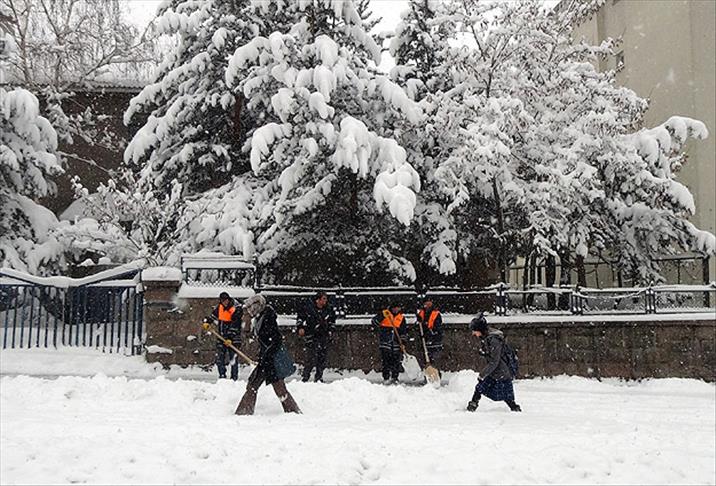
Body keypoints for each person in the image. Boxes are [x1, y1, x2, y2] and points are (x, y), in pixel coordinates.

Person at [235, 294, 301, 415]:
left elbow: (276, 340)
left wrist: (267, 356)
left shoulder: (268, 318)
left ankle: (293, 412)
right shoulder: (260, 317)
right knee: (255, 384)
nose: (249, 310)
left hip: (271, 360)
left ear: (257, 306)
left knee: (276, 388)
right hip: (266, 359)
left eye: (250, 307)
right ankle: (244, 411)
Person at [467, 314, 521, 412]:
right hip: (496, 371)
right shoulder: (487, 337)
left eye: (474, 331)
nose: (473, 333)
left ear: (480, 330)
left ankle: (515, 408)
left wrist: (483, 374)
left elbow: (495, 361)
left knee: (505, 394)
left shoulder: (494, 340)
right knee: (480, 388)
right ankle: (473, 405)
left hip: (501, 372)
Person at [296, 291, 336, 383]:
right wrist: (300, 327)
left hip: (323, 334)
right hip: (312, 334)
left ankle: (319, 376)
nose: (325, 301)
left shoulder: (328, 309)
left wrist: (330, 329)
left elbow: (332, 320)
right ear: (318, 300)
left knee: (322, 357)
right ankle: (306, 376)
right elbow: (301, 317)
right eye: (323, 299)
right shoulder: (309, 308)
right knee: (310, 357)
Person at [204, 292, 242, 380]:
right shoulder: (220, 307)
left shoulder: (236, 308)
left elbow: (235, 325)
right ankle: (222, 376)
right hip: (221, 336)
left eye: (226, 300)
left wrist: (230, 338)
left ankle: (234, 379)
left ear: (229, 299)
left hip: (234, 338)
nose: (224, 302)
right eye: (222, 301)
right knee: (220, 358)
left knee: (233, 359)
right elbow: (213, 316)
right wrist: (207, 322)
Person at [371, 302, 408, 385]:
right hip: (385, 341)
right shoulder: (385, 314)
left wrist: (403, 342)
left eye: (398, 308)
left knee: (396, 361)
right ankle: (386, 377)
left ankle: (395, 377)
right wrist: (382, 316)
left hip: (396, 342)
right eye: (395, 307)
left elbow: (403, 331)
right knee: (386, 361)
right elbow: (374, 322)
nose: (396, 309)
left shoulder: (401, 318)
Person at [415, 297, 443, 371]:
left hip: (434, 339)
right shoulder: (421, 313)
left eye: (429, 303)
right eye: (426, 303)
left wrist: (430, 332)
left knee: (434, 359)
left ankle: (436, 373)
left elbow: (438, 327)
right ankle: (427, 372)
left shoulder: (436, 314)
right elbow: (418, 326)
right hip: (424, 339)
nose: (427, 305)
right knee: (425, 358)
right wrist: (419, 322)